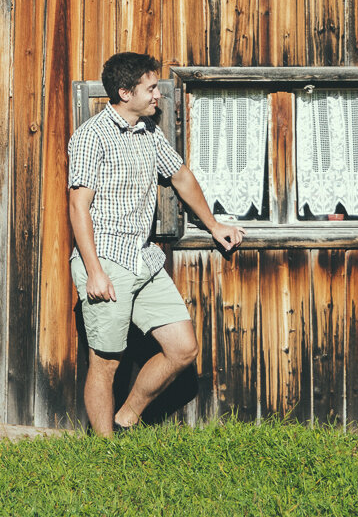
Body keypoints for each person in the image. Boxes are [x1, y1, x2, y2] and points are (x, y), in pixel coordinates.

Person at [67, 51, 243, 436]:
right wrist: (94, 272)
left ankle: (126, 418)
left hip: (143, 259)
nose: (158, 95)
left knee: (183, 348)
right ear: (124, 92)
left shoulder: (150, 133)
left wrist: (213, 225)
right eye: (150, 88)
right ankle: (103, 454)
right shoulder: (90, 137)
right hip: (107, 260)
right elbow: (78, 207)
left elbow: (180, 177)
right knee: (106, 362)